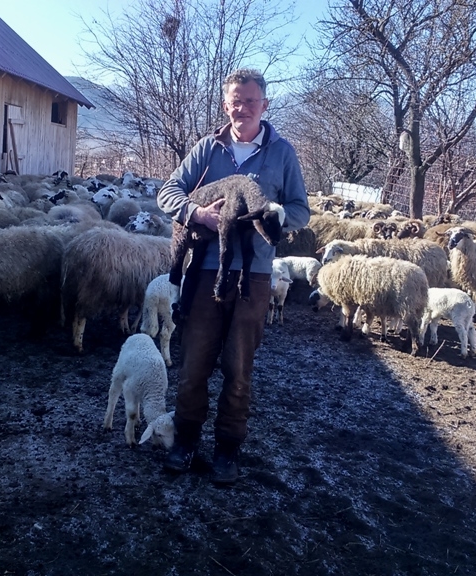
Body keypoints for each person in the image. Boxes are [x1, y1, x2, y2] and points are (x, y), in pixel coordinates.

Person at [157, 69, 310, 484]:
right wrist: (196, 213)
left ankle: (227, 449)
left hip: (255, 277)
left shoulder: (282, 153)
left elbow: (301, 210)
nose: (241, 108)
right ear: (226, 105)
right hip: (204, 275)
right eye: (234, 101)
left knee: (238, 368)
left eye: (249, 100)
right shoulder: (208, 148)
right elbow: (168, 191)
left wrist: (270, 215)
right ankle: (186, 442)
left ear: (264, 104)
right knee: (193, 365)